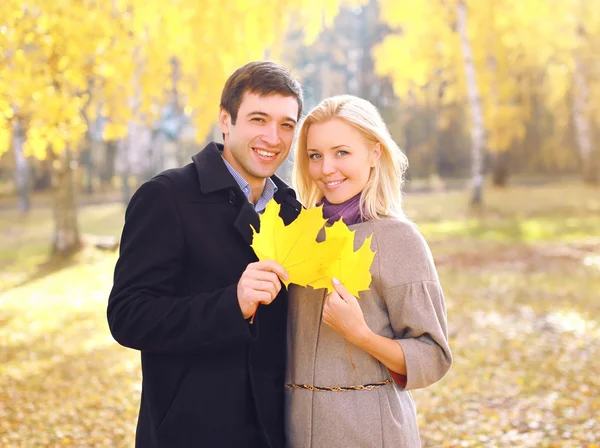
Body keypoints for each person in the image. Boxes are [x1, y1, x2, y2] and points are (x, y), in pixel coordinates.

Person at [107, 61, 304, 448]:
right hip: (189, 432)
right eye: (258, 119)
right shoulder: (167, 196)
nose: (273, 137)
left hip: (273, 431)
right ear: (225, 120)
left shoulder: (291, 209)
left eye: (286, 124)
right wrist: (233, 303)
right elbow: (128, 316)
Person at [285, 95, 452, 447]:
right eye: (315, 155)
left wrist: (361, 335)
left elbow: (433, 355)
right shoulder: (294, 234)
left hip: (370, 431)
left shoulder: (399, 239)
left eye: (341, 152)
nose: (326, 168)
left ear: (375, 153)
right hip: (291, 428)